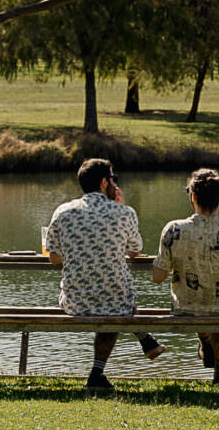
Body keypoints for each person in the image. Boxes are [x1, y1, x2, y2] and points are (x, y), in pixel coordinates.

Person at [43, 158, 158, 395]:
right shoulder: (124, 212)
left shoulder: (63, 211)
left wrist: (79, 253)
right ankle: (142, 336)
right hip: (118, 301)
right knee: (115, 298)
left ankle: (100, 371)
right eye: (113, 179)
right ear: (105, 182)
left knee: (109, 297)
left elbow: (53, 258)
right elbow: (135, 250)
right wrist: (121, 206)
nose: (116, 184)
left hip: (74, 301)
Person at [152, 167, 219, 388]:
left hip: (186, 308)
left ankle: (204, 340)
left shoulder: (174, 230)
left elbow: (157, 277)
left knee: (200, 301)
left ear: (192, 196)